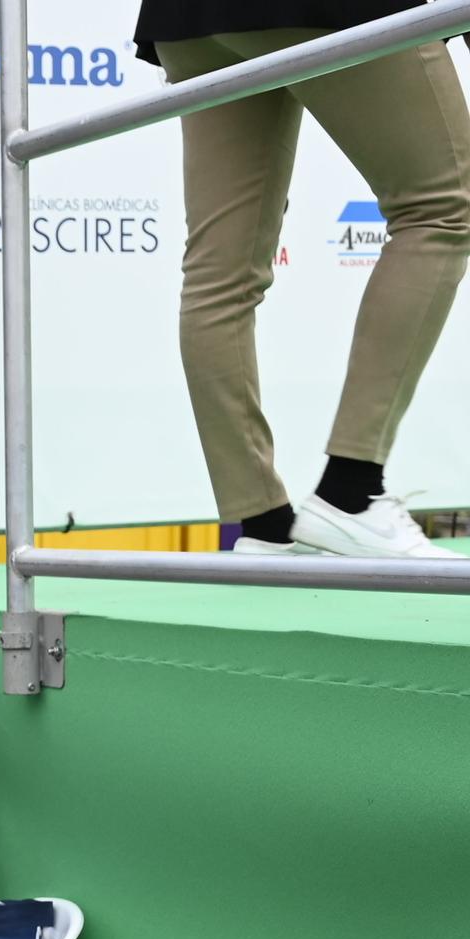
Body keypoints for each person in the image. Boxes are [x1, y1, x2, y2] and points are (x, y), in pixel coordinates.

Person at [135, 1, 470, 558]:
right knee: (442, 208)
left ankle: (262, 524)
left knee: (220, 273)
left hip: (188, 18)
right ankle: (351, 492)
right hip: (324, 7)